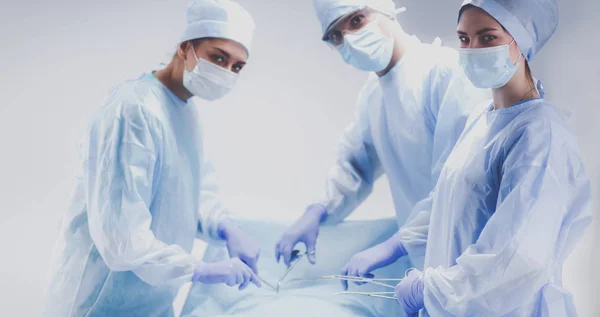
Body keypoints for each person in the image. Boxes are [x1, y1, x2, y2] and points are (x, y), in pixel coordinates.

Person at [41, 1, 263, 316]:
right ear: (186, 47)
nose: (226, 72)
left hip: (152, 300)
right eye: (218, 57)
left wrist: (227, 228)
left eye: (237, 66)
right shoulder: (131, 111)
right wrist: (201, 269)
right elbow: (122, 239)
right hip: (101, 300)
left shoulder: (186, 114)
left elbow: (187, 198)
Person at [391, 0, 593, 315]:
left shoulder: (539, 135)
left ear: (521, 41)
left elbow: (519, 258)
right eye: (463, 38)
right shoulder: (481, 120)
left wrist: (433, 289)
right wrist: (398, 244)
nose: (472, 49)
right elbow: (454, 204)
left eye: (488, 38)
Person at [274, 0, 490, 288]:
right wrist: (317, 211)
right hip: (427, 268)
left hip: (475, 264)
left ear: (386, 9)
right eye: (336, 36)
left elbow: (466, 181)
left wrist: (394, 246)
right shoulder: (372, 97)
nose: (349, 39)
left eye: (356, 21)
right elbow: (354, 168)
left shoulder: (445, 72)